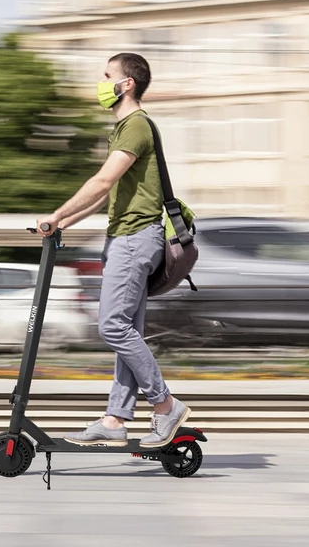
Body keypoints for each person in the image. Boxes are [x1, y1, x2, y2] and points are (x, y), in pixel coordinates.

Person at [36, 52, 191, 448]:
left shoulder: (136, 126)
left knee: (112, 326)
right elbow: (110, 195)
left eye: (107, 76)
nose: (101, 83)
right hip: (128, 236)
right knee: (128, 330)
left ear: (127, 84)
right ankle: (115, 420)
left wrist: (55, 212)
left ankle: (165, 405)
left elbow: (102, 181)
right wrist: (62, 223)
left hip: (135, 239)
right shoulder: (126, 129)